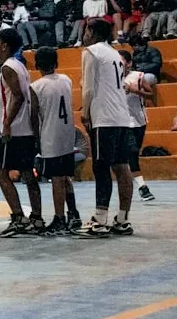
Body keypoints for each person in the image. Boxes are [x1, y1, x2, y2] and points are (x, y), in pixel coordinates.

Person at [75, 18, 135, 237]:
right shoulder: (115, 54)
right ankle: (123, 219)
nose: (84, 34)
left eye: (86, 30)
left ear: (92, 32)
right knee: (122, 167)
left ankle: (100, 220)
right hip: (121, 116)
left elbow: (89, 88)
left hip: (104, 117)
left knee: (101, 167)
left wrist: (84, 112)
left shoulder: (91, 51)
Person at [0, 28, 43, 237]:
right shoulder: (21, 66)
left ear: (4, 45)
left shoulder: (7, 67)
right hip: (26, 129)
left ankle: (18, 217)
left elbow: (18, 97)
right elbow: (31, 97)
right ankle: (37, 219)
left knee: (0, 173)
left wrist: (6, 123)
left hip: (14, 131)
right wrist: (35, 128)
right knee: (28, 175)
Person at [29, 47, 78, 236]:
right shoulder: (66, 79)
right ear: (56, 63)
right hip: (67, 132)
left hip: (51, 134)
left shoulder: (37, 86)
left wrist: (36, 138)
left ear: (37, 64)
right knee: (66, 176)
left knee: (56, 178)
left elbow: (34, 116)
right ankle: (73, 213)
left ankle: (59, 218)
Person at [118, 50, 156, 203]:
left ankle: (130, 182)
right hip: (122, 122)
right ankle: (143, 187)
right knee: (132, 153)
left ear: (129, 63)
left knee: (134, 154)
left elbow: (151, 94)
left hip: (139, 121)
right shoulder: (113, 78)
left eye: (121, 62)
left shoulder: (138, 76)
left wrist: (135, 91)